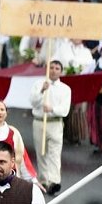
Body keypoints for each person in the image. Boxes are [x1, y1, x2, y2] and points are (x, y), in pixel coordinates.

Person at [29, 60, 71, 195]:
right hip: (39, 121)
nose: (53, 70)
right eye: (51, 68)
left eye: (57, 68)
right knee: (41, 153)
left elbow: (65, 110)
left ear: (61, 71)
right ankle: (44, 181)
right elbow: (33, 102)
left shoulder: (65, 89)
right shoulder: (38, 84)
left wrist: (52, 109)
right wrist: (42, 90)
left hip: (55, 123)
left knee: (54, 152)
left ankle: (54, 181)